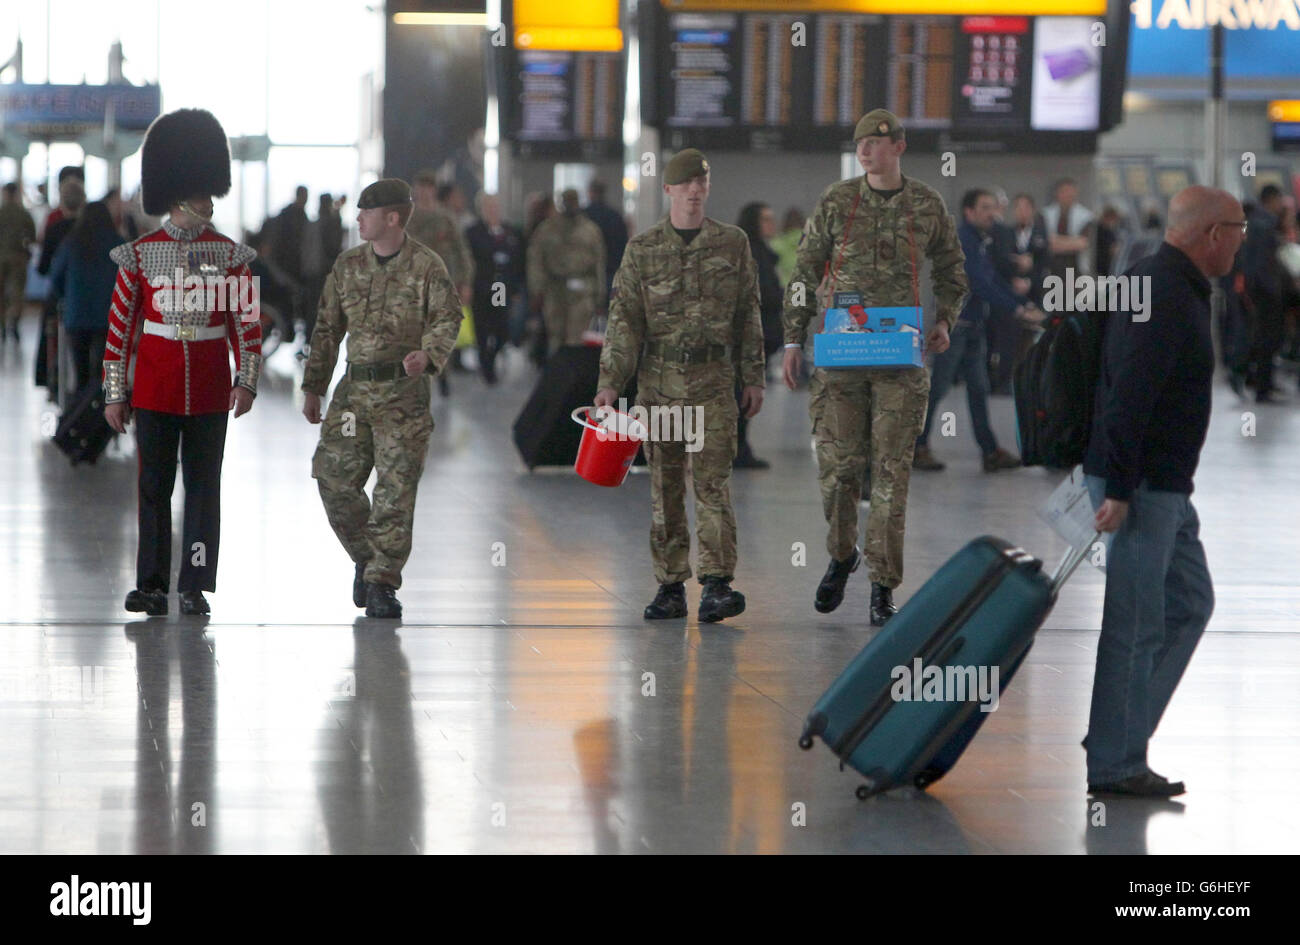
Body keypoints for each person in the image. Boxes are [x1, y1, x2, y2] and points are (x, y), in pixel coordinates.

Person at [1081, 185, 1244, 797]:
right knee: (1137, 623)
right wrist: (1119, 488)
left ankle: (1115, 735)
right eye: (1239, 229)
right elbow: (1128, 395)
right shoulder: (1164, 292)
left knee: (1189, 604)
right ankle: (1116, 763)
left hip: (1167, 488)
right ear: (1211, 234)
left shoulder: (1171, 285)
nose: (1241, 241)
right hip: (1143, 488)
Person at [782, 109, 967, 627]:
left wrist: (946, 320)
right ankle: (844, 554)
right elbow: (803, 269)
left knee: (890, 475)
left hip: (900, 362)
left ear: (899, 148)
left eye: (878, 143)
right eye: (861, 142)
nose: (867, 150)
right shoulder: (838, 201)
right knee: (840, 473)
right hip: (841, 359)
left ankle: (883, 585)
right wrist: (793, 338)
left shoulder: (926, 204)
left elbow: (953, 270)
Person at [102, 108, 262, 617]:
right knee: (153, 488)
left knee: (202, 488)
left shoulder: (230, 255)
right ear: (178, 196)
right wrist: (114, 392)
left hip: (210, 388)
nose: (209, 202)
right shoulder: (142, 255)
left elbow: (246, 324)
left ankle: (194, 584)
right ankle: (150, 584)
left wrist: (248, 381)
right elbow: (120, 329)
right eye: (201, 194)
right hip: (155, 387)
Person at [594, 149, 765, 624]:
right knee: (666, 487)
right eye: (685, 183)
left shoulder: (732, 244)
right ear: (667, 189)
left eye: (701, 183)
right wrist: (610, 383)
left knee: (713, 485)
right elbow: (624, 322)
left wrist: (754, 376)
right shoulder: (643, 250)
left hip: (713, 385)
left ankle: (716, 584)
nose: (694, 190)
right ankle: (670, 585)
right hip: (660, 386)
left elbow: (747, 315)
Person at [302, 179, 463, 619]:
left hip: (403, 397)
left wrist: (429, 354)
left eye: (365, 214)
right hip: (354, 395)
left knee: (395, 492)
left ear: (391, 218)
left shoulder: (426, 266)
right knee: (333, 478)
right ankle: (368, 557)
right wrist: (313, 385)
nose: (357, 220)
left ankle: (382, 583)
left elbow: (448, 316)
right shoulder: (348, 265)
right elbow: (327, 328)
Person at [913, 189, 1030, 473]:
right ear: (970, 212)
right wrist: (1016, 309)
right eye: (986, 207)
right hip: (953, 329)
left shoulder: (980, 241)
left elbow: (992, 279)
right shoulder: (963, 241)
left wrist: (1021, 304)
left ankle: (990, 451)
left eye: (994, 207)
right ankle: (916, 446)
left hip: (973, 327)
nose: (993, 213)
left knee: (979, 388)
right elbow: (978, 283)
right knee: (938, 388)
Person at [49, 200, 124, 394]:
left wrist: (65, 296)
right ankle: (101, 412)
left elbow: (55, 275)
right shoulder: (118, 243)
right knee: (104, 370)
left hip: (76, 314)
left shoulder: (71, 242)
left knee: (79, 369)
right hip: (109, 315)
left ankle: (80, 413)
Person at [734, 201, 784, 468]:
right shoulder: (752, 254)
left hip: (764, 332)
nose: (771, 224)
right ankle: (737, 448)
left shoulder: (764, 253)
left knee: (748, 393)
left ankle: (740, 447)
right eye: (766, 219)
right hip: (753, 335)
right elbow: (762, 294)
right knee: (743, 393)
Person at [528, 188, 605, 355]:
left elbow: (599, 264)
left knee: (577, 340)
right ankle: (557, 375)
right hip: (555, 290)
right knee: (556, 338)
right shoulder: (547, 229)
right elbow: (535, 260)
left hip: (582, 292)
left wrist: (600, 296)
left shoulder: (590, 231)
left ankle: (573, 377)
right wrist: (537, 289)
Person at [464, 192, 524, 384]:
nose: (492, 210)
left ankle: (491, 357)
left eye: (494, 206)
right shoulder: (473, 232)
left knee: (501, 328)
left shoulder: (509, 231)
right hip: (481, 286)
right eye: (488, 206)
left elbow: (516, 260)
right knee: (482, 328)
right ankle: (486, 367)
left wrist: (514, 288)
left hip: (500, 287)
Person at [1242, 184, 1293, 403]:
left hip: (1261, 290)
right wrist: (1273, 291)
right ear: (1271, 200)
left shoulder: (1256, 222)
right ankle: (1263, 388)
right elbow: (1264, 263)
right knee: (1268, 338)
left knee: (1267, 337)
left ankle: (1265, 384)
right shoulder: (1265, 224)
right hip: (1267, 292)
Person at [0, 182, 35, 346]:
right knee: (17, 293)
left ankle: (2, 326)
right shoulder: (23, 214)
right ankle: (14, 322)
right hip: (18, 258)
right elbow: (32, 236)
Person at [583, 179, 628, 300]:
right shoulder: (615, 217)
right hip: (611, 270)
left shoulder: (583, 216)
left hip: (587, 273)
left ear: (590, 192)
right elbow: (623, 245)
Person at [1043, 177, 1095, 280]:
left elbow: (1082, 244)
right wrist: (1072, 242)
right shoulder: (1045, 214)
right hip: (1051, 270)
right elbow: (1046, 242)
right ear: (1057, 193)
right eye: (1064, 191)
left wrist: (1057, 241)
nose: (1067, 195)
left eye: (1070, 192)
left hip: (1077, 271)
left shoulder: (1086, 216)